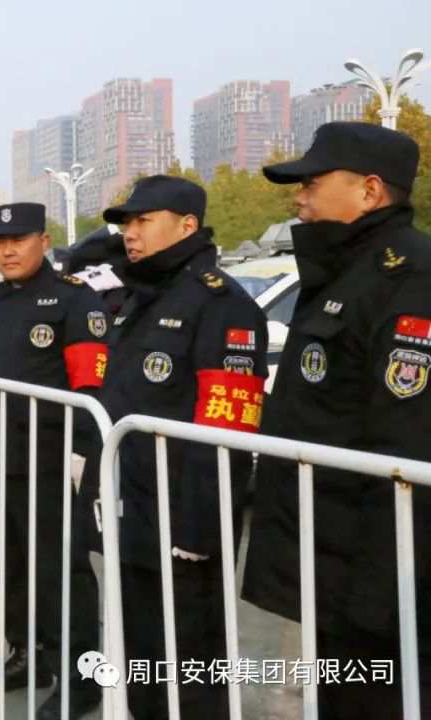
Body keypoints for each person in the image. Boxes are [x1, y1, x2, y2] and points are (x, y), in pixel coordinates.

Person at [243, 122, 431, 720]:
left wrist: (381, 595)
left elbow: (408, 447)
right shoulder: (345, 270)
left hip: (375, 578)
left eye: (312, 183)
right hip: (329, 560)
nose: (298, 198)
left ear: (369, 191)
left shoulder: (411, 279)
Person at [98, 176, 268, 720]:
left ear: (187, 225)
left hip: (183, 521)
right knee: (142, 655)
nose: (130, 233)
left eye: (143, 220)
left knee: (190, 663)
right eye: (126, 223)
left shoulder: (221, 304)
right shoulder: (143, 297)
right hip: (135, 509)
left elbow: (228, 430)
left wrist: (198, 529)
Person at [0, 202, 108, 719]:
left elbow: (91, 391)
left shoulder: (74, 301)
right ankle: (28, 654)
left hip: (49, 463)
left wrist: (81, 463)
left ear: (44, 242)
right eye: (0, 242)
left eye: (19, 240)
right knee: (10, 566)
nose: (7, 251)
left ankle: (82, 676)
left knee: (61, 572)